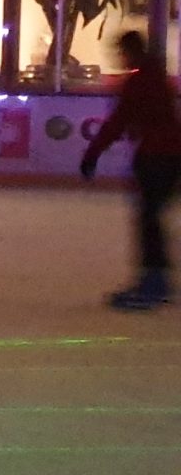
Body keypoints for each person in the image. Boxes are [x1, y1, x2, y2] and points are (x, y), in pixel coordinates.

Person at [79, 30, 181, 310]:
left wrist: (92, 154)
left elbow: (118, 122)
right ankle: (156, 280)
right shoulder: (158, 78)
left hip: (156, 158)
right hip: (168, 158)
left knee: (149, 220)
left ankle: (153, 283)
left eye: (121, 52)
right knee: (151, 219)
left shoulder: (139, 83)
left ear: (130, 52)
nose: (119, 58)